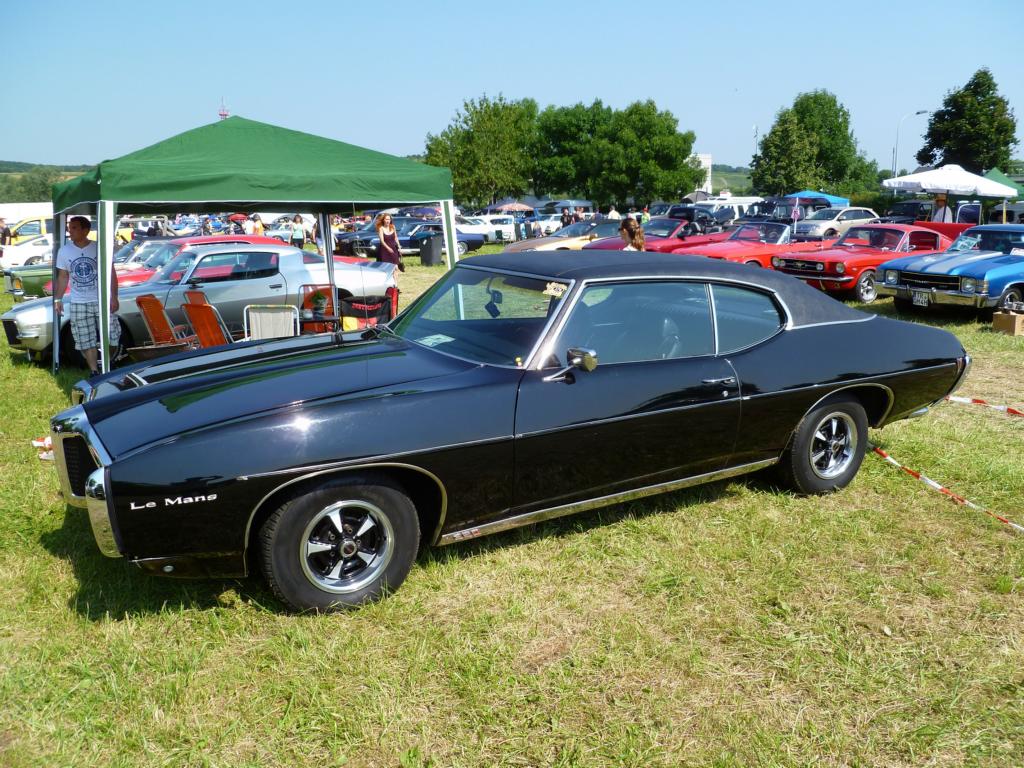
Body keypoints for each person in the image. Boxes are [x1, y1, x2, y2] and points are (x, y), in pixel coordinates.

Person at [53, 216, 120, 376]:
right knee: (84, 340)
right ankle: (94, 371)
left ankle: (107, 363)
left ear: (86, 230)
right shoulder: (64, 251)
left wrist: (114, 297)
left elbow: (111, 273)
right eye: (69, 227)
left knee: (113, 336)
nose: (70, 231)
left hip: (102, 300)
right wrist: (58, 298)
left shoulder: (99, 248)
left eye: (74, 228)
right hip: (78, 302)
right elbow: (63, 276)